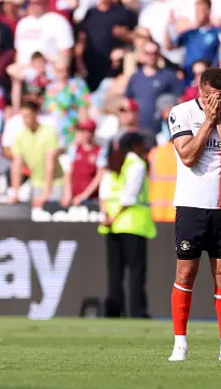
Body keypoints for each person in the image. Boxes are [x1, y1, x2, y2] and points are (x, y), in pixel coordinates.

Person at [167, 67, 221, 362]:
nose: (213, 102)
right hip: (191, 205)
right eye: (208, 96)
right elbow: (188, 156)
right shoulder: (180, 112)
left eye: (220, 97)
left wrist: (219, 124)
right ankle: (180, 344)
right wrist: (208, 121)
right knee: (186, 273)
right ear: (199, 89)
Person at [97, 131, 156, 318]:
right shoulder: (137, 164)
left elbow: (104, 194)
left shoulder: (113, 164)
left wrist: (106, 216)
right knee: (136, 271)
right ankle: (137, 311)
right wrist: (115, 217)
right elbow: (130, 196)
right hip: (132, 223)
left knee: (115, 272)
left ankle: (115, 311)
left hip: (110, 225)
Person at [8, 101, 64, 206]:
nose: (26, 120)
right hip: (36, 183)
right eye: (23, 116)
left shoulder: (49, 132)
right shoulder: (21, 135)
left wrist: (47, 192)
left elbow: (50, 163)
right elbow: (16, 165)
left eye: (28, 116)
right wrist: (15, 193)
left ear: (36, 115)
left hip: (54, 183)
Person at [61, 119, 104, 207]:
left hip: (91, 200)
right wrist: (67, 193)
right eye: (83, 131)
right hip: (73, 197)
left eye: (88, 131)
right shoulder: (74, 149)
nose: (85, 134)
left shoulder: (100, 151)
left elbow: (99, 176)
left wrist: (84, 196)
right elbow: (68, 172)